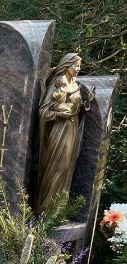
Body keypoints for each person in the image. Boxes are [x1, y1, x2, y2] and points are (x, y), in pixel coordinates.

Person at [36, 53, 95, 216]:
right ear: (66, 65)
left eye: (80, 66)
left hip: (72, 128)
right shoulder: (57, 83)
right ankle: (46, 210)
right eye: (76, 65)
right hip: (59, 129)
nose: (78, 69)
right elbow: (43, 111)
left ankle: (58, 211)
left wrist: (86, 103)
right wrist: (58, 115)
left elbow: (74, 107)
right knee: (58, 167)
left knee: (68, 167)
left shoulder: (74, 84)